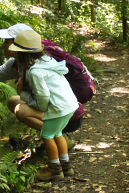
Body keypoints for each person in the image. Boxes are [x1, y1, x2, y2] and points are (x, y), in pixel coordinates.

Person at [7, 29, 78, 182]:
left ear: (22, 54)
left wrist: (23, 94)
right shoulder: (48, 62)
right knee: (57, 133)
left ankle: (54, 170)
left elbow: (43, 97)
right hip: (70, 106)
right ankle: (66, 166)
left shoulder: (35, 72)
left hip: (58, 108)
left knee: (47, 135)